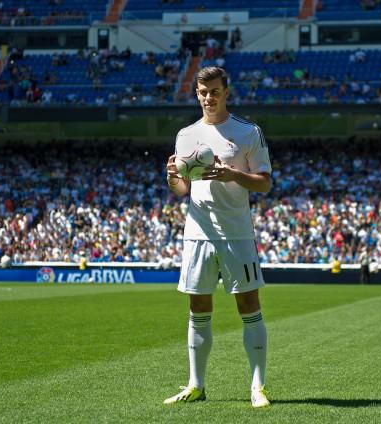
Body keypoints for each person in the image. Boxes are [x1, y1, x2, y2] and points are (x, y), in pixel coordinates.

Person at [163, 66, 272, 408]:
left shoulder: (248, 132)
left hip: (236, 233)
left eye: (214, 91)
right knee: (198, 307)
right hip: (197, 234)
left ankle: (258, 387)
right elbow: (182, 189)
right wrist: (172, 178)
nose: (208, 98)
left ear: (226, 92)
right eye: (202, 92)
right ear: (196, 94)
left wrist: (233, 175)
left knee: (248, 305)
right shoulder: (186, 135)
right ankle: (196, 385)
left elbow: (265, 183)